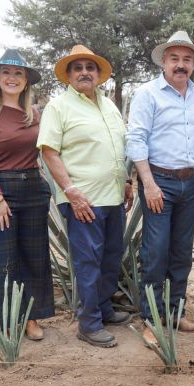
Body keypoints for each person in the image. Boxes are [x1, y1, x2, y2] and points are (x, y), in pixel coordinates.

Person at [37, 45, 133, 348]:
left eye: (90, 68)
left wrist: (127, 181)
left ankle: (103, 309)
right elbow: (49, 152)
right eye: (77, 68)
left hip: (114, 196)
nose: (84, 72)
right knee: (88, 261)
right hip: (83, 200)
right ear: (68, 75)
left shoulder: (110, 106)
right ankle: (88, 323)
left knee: (111, 257)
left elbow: (118, 147)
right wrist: (70, 191)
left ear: (98, 75)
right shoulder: (59, 107)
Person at [126, 31, 194, 346]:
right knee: (155, 252)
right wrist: (147, 183)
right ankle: (150, 320)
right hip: (158, 181)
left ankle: (176, 313)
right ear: (164, 61)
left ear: (192, 65)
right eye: (174, 59)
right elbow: (135, 138)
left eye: (186, 60)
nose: (180, 65)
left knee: (181, 252)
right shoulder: (148, 94)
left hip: (189, 183)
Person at [0, 49, 53, 341]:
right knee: (0, 260)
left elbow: (47, 152)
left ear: (27, 80)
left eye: (18, 73)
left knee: (32, 257)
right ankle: (3, 320)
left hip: (32, 190)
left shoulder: (34, 114)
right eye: (6, 72)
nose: (12, 78)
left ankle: (30, 317)